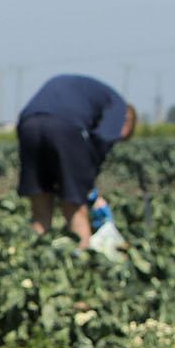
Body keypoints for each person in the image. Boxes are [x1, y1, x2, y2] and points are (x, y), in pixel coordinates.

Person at [15, 74, 137, 248]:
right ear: (127, 121)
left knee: (40, 205)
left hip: (28, 124)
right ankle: (81, 257)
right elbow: (102, 139)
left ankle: (35, 256)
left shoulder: (91, 93)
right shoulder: (119, 106)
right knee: (74, 207)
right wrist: (86, 186)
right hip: (64, 127)